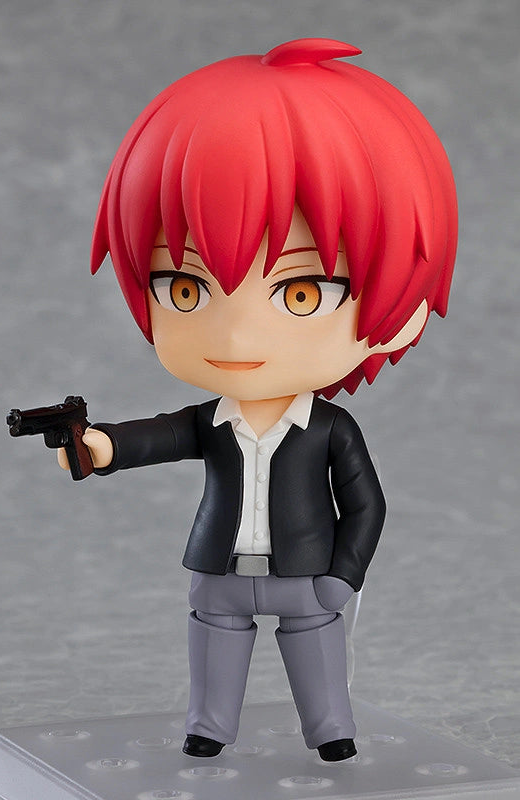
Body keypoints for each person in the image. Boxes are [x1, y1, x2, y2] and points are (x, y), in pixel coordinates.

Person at [59, 38, 458, 760]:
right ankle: (209, 728)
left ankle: (331, 730)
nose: (238, 333)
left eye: (301, 293)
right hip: (218, 570)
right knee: (213, 646)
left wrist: (343, 577)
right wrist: (98, 447)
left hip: (307, 576)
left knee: (316, 651)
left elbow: (367, 505)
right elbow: (157, 436)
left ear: (403, 312)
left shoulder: (329, 428)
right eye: (186, 288)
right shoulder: (210, 421)